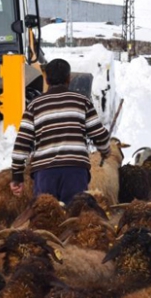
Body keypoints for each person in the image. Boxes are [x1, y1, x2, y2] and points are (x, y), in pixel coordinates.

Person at [10, 59, 111, 205]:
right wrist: (105, 151)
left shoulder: (34, 105)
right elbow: (99, 135)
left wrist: (17, 176)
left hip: (45, 174)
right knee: (74, 219)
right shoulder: (82, 102)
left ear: (46, 79)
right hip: (75, 172)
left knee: (45, 218)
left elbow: (21, 144)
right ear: (69, 79)